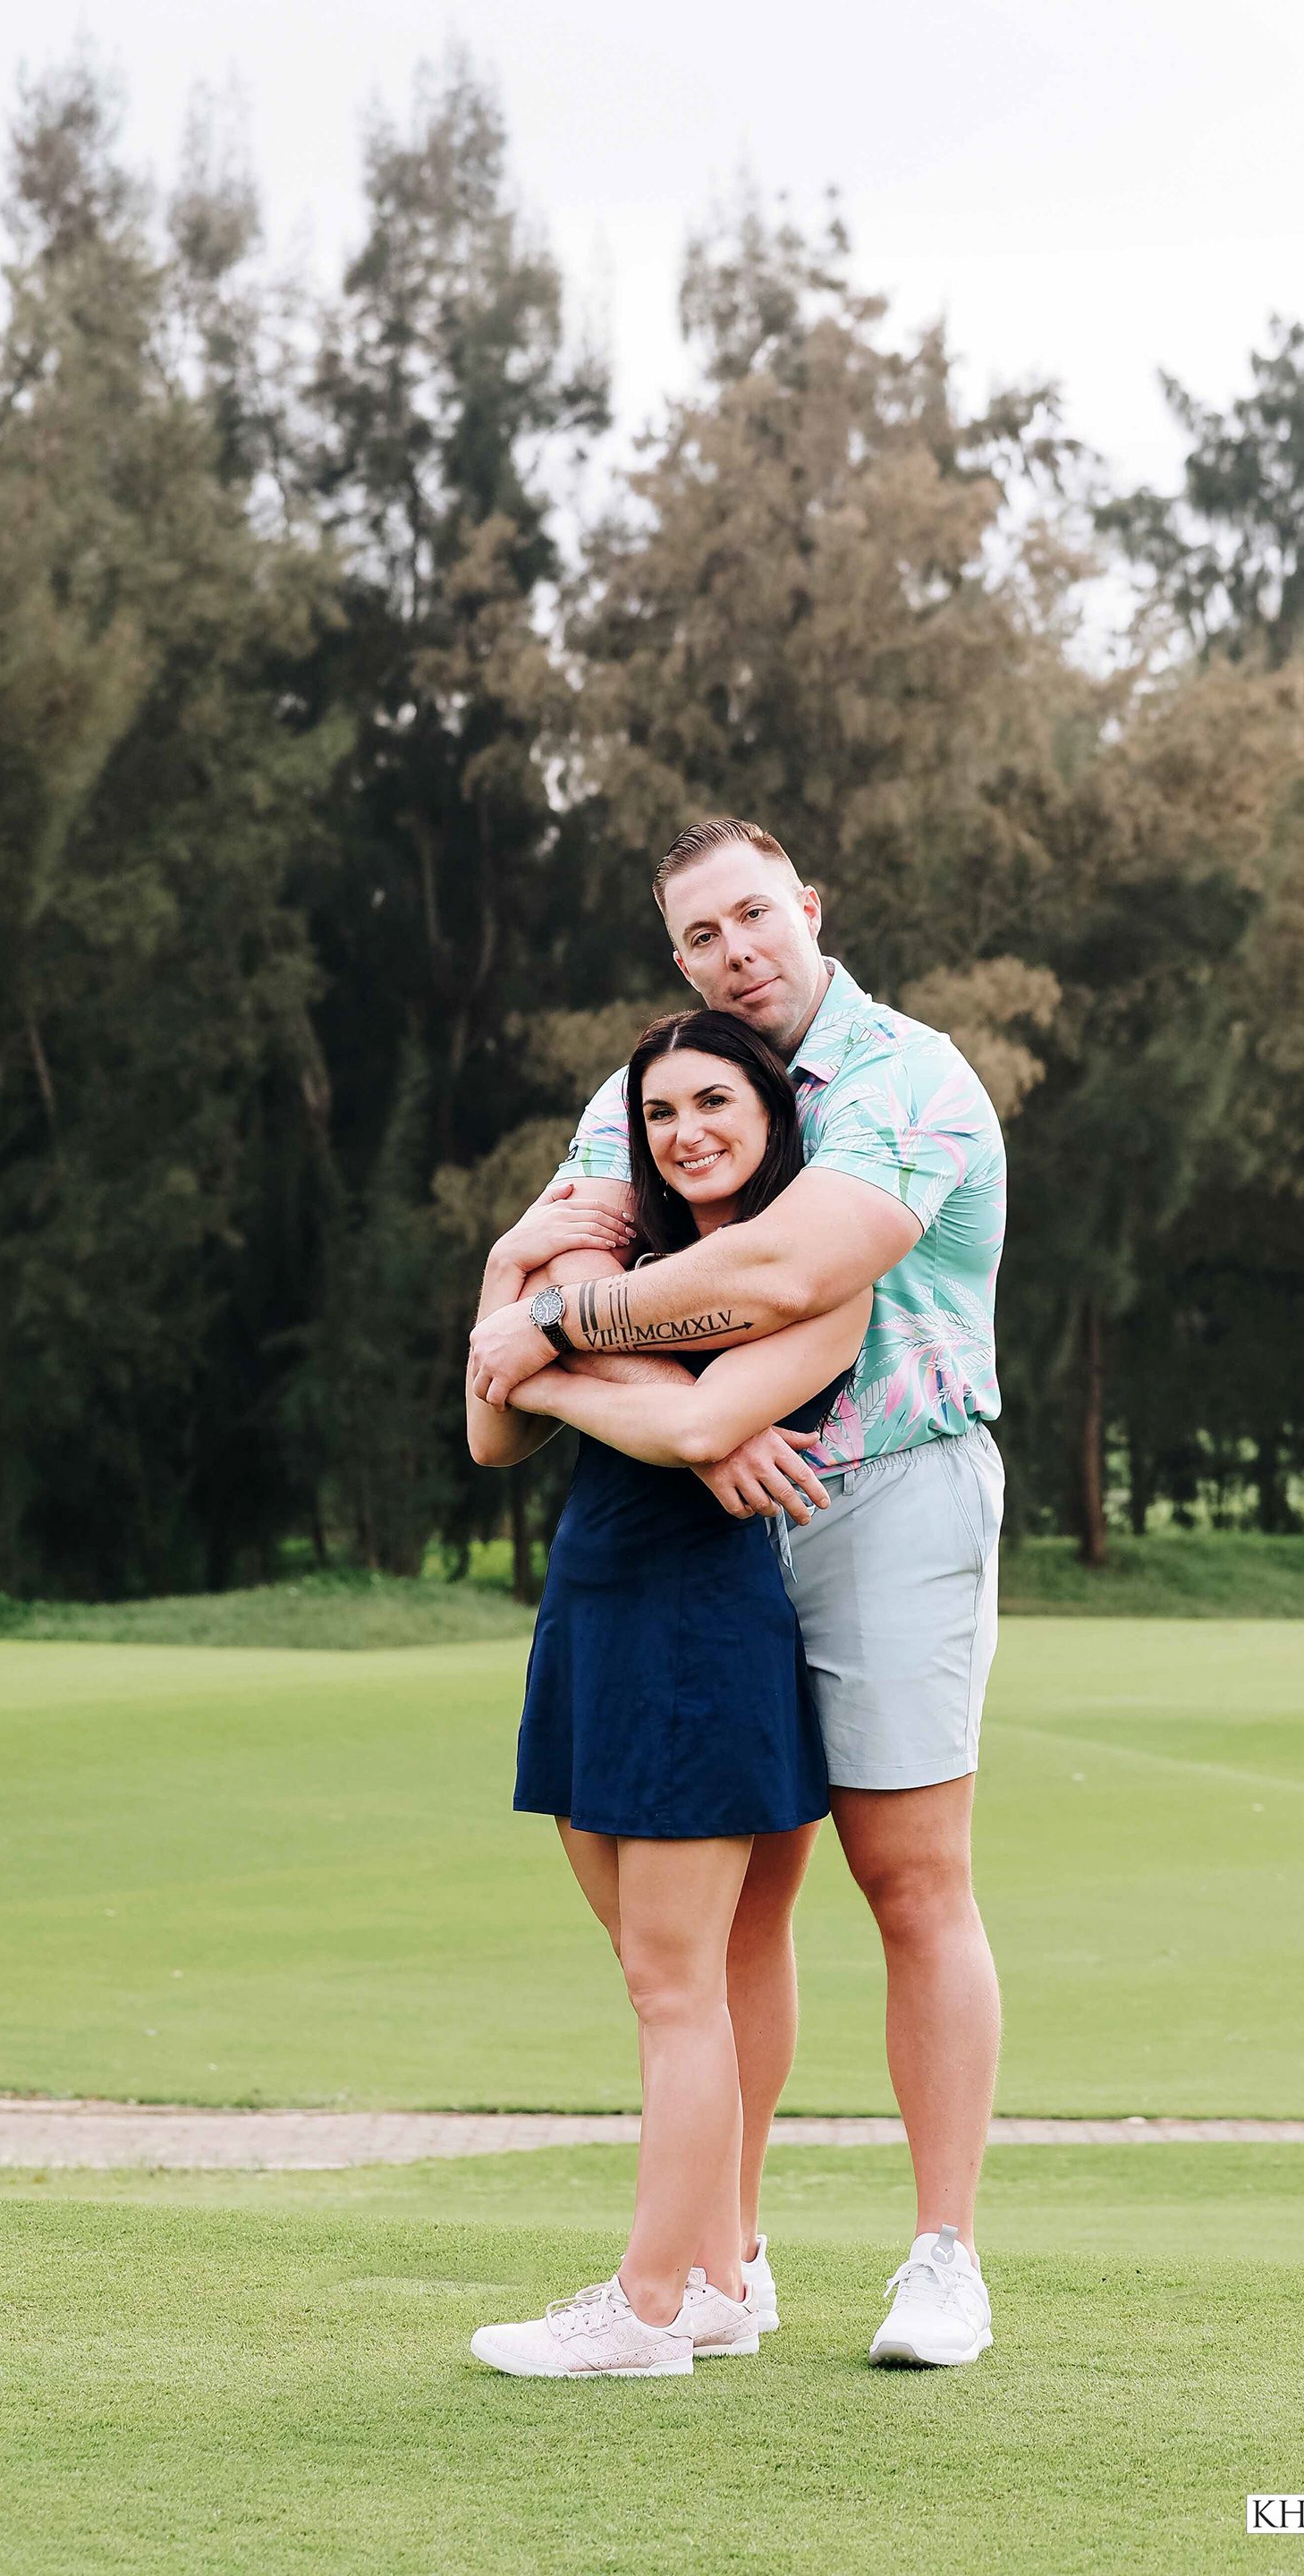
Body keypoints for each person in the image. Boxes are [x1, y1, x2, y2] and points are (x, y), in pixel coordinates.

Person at [470, 817, 1006, 2368]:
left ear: (808, 908)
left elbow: (778, 1274)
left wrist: (560, 1332)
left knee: (909, 1874)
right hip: (702, 1529)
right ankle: (725, 2265)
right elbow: (541, 1280)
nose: (736, 952)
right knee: (738, 1905)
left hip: (887, 1486)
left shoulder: (911, 1079)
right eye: (702, 936)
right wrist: (686, 1421)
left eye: (755, 916)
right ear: (678, 957)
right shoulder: (647, 1086)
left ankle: (944, 2260)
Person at [463, 1007, 870, 2379]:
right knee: (657, 1979)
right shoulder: (613, 1262)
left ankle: (646, 2310)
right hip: (591, 1614)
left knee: (674, 1988)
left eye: (714, 1103)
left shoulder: (813, 1278)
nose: (686, 1132)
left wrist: (559, 1367)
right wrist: (511, 1275)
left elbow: (693, 1423)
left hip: (701, 1629)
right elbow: (487, 1427)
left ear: (771, 1116)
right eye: (660, 1113)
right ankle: (719, 2281)